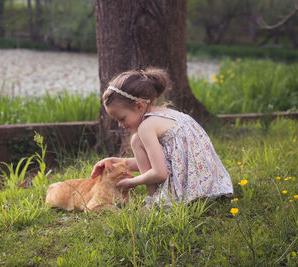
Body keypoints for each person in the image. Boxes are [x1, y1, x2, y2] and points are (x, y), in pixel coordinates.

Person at [90, 67, 233, 206]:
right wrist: (117, 162)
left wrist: (131, 182)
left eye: (122, 119)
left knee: (136, 140)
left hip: (190, 191)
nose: (120, 125)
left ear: (139, 106)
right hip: (210, 185)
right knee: (138, 139)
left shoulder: (146, 128)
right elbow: (168, 159)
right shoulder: (167, 114)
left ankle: (156, 201)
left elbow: (160, 173)